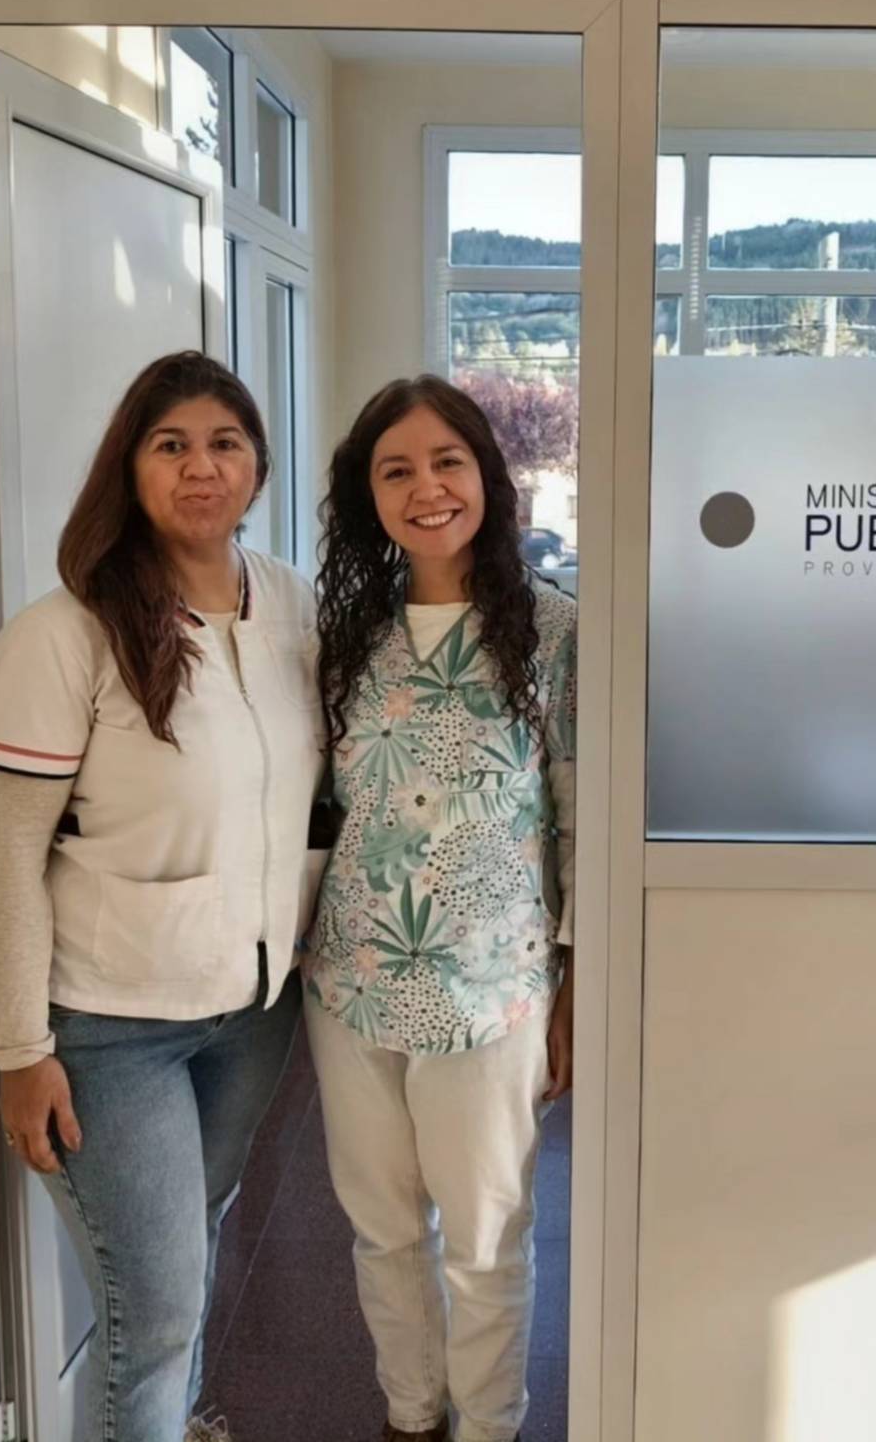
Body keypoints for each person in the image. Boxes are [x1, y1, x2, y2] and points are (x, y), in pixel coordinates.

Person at [0, 351, 326, 1442]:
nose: (200, 467)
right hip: (108, 1028)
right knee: (155, 1310)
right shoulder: (63, 634)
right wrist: (19, 1049)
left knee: (185, 1258)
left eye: (224, 443)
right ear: (129, 468)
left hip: (250, 1013)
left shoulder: (292, 605)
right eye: (171, 445)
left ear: (258, 466)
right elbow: (8, 859)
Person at [303, 375, 577, 1442]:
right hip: (352, 983)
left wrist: (576, 987)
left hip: (491, 989)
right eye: (397, 469)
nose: (427, 489)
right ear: (366, 493)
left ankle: (489, 1426)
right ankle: (410, 1418)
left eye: (447, 462)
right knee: (382, 1233)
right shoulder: (344, 639)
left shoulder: (554, 634)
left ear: (488, 477)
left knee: (485, 1243)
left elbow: (580, 822)